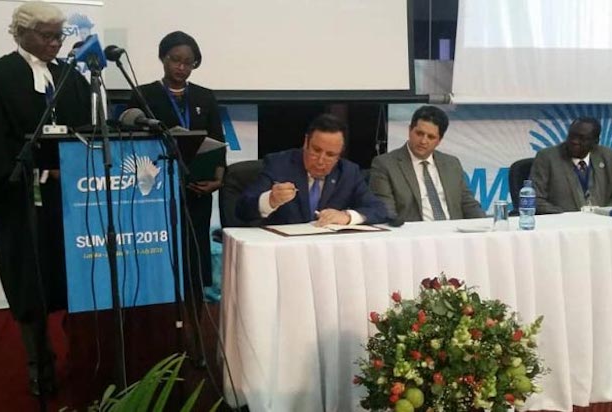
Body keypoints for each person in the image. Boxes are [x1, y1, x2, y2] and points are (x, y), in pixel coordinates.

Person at [0, 1, 91, 395]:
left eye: (59, 36)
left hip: (72, 200)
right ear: (22, 34)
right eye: (47, 36)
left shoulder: (71, 78)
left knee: (78, 279)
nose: (55, 43)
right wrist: (36, 170)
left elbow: (86, 130)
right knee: (30, 283)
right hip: (21, 201)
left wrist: (72, 166)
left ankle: (83, 357)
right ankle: (40, 366)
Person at [126, 31, 224, 335]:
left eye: (188, 62)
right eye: (175, 60)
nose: (181, 67)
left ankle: (193, 329)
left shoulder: (205, 97)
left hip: (197, 192)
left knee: (193, 264)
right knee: (160, 261)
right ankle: (159, 329)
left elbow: (218, 142)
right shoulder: (143, 95)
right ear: (162, 58)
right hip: (157, 194)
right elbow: (132, 144)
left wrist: (218, 180)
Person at [236, 114, 387, 225]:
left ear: (339, 154)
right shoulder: (279, 164)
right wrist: (270, 200)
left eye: (330, 155)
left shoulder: (348, 172)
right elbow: (242, 209)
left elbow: (379, 209)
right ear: (306, 142)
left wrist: (347, 216)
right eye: (316, 150)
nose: (321, 160)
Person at [369, 105, 485, 222]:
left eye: (431, 137)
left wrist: (488, 226)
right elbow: (386, 211)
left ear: (439, 140)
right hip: (412, 231)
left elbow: (468, 204)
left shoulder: (451, 164)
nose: (423, 141)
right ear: (410, 130)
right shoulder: (385, 164)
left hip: (451, 230)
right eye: (419, 134)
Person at [530, 117, 612, 213]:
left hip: (601, 220)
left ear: (595, 141)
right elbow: (535, 199)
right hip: (561, 219)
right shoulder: (547, 157)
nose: (575, 141)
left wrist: (605, 214)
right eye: (571, 136)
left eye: (582, 138)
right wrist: (566, 216)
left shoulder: (608, 157)